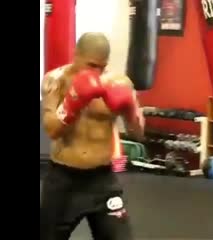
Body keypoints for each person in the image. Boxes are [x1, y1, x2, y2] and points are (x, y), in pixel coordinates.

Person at [40, 32, 144, 240]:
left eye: (101, 66)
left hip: (102, 181)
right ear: (75, 55)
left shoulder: (119, 83)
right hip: (63, 181)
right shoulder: (55, 81)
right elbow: (51, 130)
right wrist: (71, 104)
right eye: (91, 65)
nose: (97, 72)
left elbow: (138, 133)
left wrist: (131, 110)